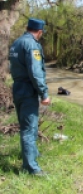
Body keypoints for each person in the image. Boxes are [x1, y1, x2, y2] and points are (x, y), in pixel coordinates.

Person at [9, 18, 51, 176]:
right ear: (39, 32)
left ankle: (32, 154)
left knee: (27, 124)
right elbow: (35, 72)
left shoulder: (16, 43)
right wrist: (44, 93)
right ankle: (30, 167)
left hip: (18, 88)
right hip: (28, 90)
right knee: (29, 128)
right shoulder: (32, 45)